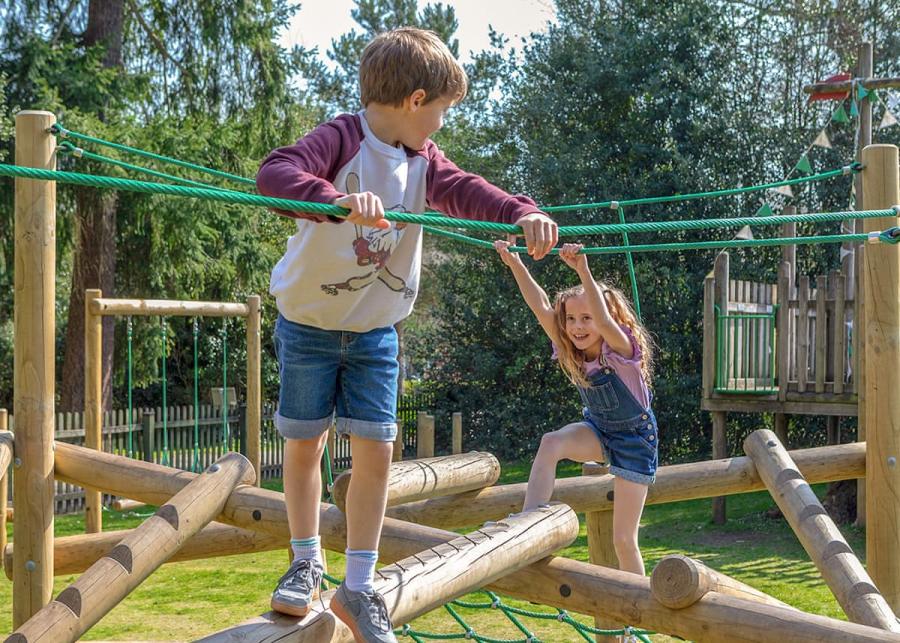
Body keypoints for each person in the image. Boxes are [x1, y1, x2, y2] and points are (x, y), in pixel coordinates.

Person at [256, 27, 557, 641]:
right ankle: (305, 560)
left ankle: (359, 586)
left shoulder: (424, 163)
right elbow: (274, 174)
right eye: (442, 112)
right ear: (417, 99)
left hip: (375, 333)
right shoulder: (340, 138)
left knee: (376, 453)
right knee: (306, 443)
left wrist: (521, 210)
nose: (440, 127)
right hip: (309, 326)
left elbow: (469, 191)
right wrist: (335, 200)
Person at [494, 240, 656, 579]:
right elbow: (539, 305)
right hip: (598, 431)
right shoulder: (572, 348)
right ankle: (529, 525)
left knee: (624, 539)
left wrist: (583, 270)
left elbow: (604, 320)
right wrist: (516, 264)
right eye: (571, 319)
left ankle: (636, 616)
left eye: (586, 318)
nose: (579, 326)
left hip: (635, 441)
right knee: (551, 442)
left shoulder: (621, 350)